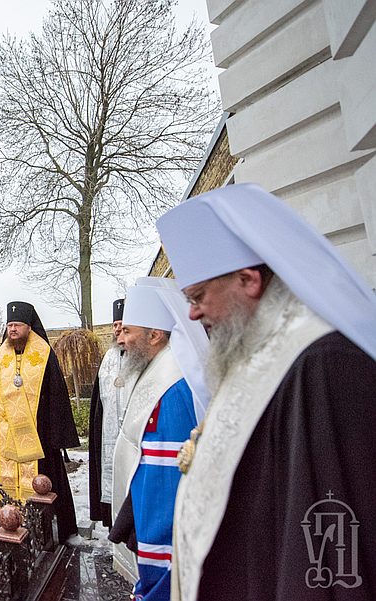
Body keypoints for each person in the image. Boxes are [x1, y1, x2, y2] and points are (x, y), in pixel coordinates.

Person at [156, 183, 376, 601]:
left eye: (198, 295)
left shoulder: (325, 362)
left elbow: (334, 547)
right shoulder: (253, 353)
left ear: (248, 279)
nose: (191, 313)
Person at [108, 280, 206, 601]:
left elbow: (166, 491)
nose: (122, 339)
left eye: (130, 332)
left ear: (155, 335)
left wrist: (153, 583)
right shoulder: (155, 368)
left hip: (161, 552)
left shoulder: (172, 388)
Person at [0, 302, 80, 541]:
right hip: (8, 436)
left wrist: (56, 433)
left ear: (29, 326)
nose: (12, 330)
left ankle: (53, 531)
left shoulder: (44, 354)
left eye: (17, 325)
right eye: (9, 325)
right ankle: (6, 522)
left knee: (46, 481)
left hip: (39, 436)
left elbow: (56, 395)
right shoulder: (1, 356)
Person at [88, 298, 126, 528]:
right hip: (110, 435)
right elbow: (98, 403)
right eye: (115, 325)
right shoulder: (109, 358)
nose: (118, 329)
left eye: (123, 324)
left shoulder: (142, 356)